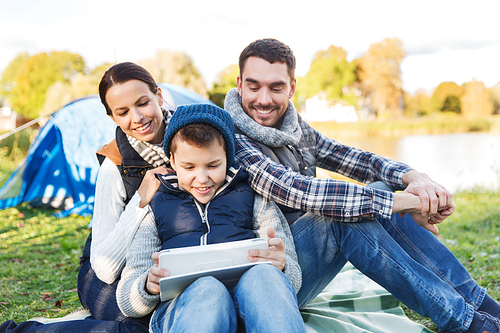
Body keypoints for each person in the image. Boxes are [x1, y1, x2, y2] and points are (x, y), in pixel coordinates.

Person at [224, 38, 500, 333]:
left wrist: (414, 178)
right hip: (264, 284)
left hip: (303, 264)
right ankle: (466, 323)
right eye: (254, 86)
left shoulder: (294, 127)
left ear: (292, 88)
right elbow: (296, 190)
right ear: (240, 84)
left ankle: (480, 304)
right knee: (340, 216)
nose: (263, 99)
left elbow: (356, 159)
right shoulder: (229, 136)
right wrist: (406, 202)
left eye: (276, 87)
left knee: (379, 189)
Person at [1, 62, 170, 332]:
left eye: (143, 103)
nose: (137, 117)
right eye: (123, 112)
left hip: (160, 269)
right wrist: (139, 201)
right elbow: (104, 266)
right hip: (104, 275)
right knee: (144, 327)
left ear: (158, 96)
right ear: (113, 118)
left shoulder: (193, 138)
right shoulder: (115, 164)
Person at [116, 103, 306, 332]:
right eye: (189, 167)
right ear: (173, 162)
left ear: (227, 158)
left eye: (213, 165)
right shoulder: (155, 207)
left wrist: (281, 267)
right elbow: (127, 300)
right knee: (208, 288)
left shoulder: (253, 197)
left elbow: (293, 280)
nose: (202, 178)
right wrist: (147, 286)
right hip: (184, 310)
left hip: (248, 304)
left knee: (265, 276)